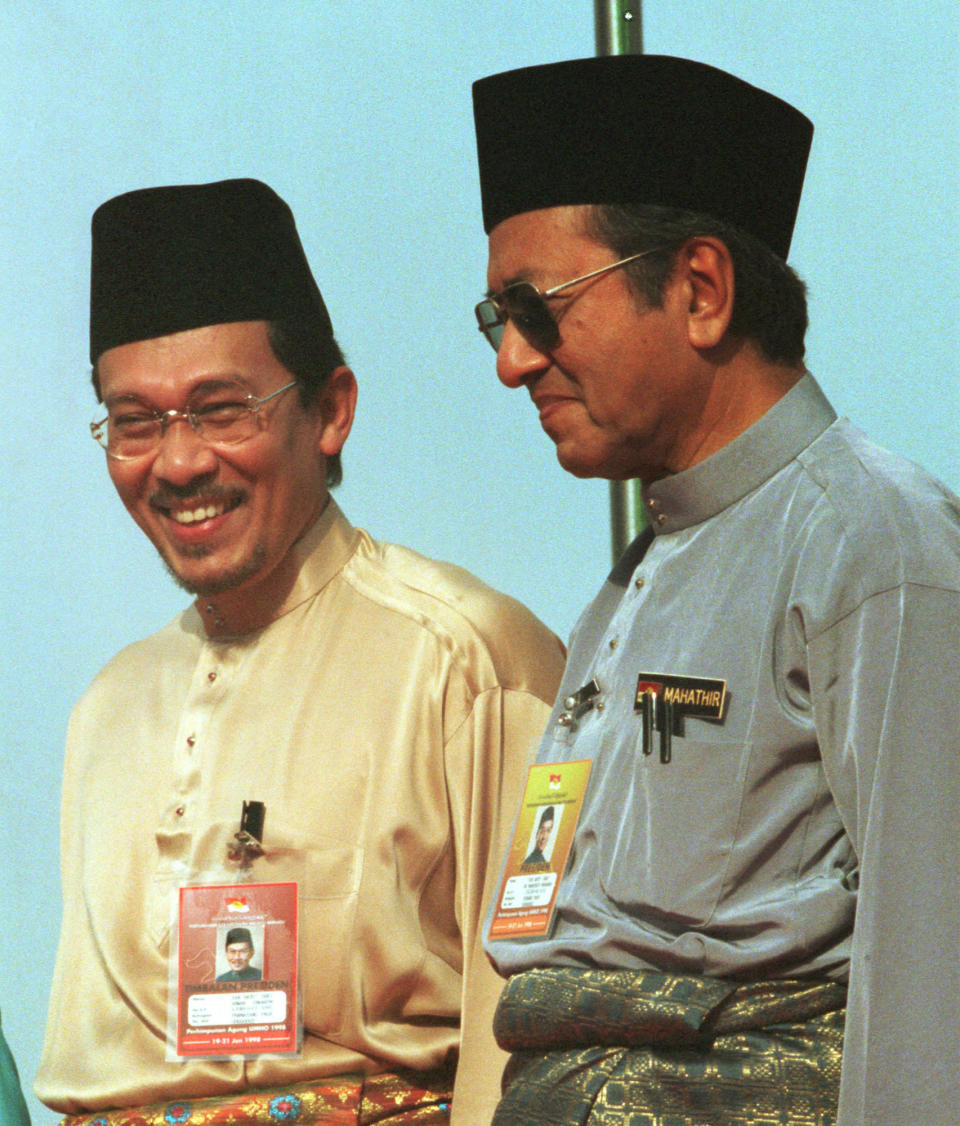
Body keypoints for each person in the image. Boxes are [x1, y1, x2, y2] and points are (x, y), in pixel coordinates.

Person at [470, 56, 960, 1126]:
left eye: (536, 308)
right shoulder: (642, 571)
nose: (512, 360)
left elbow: (935, 969)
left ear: (700, 289)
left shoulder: (876, 544)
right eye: (493, 317)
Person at [36, 178, 565, 1124]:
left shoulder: (465, 659)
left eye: (222, 408)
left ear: (331, 412)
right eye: (134, 422)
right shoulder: (109, 709)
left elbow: (530, 1038)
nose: (180, 461)